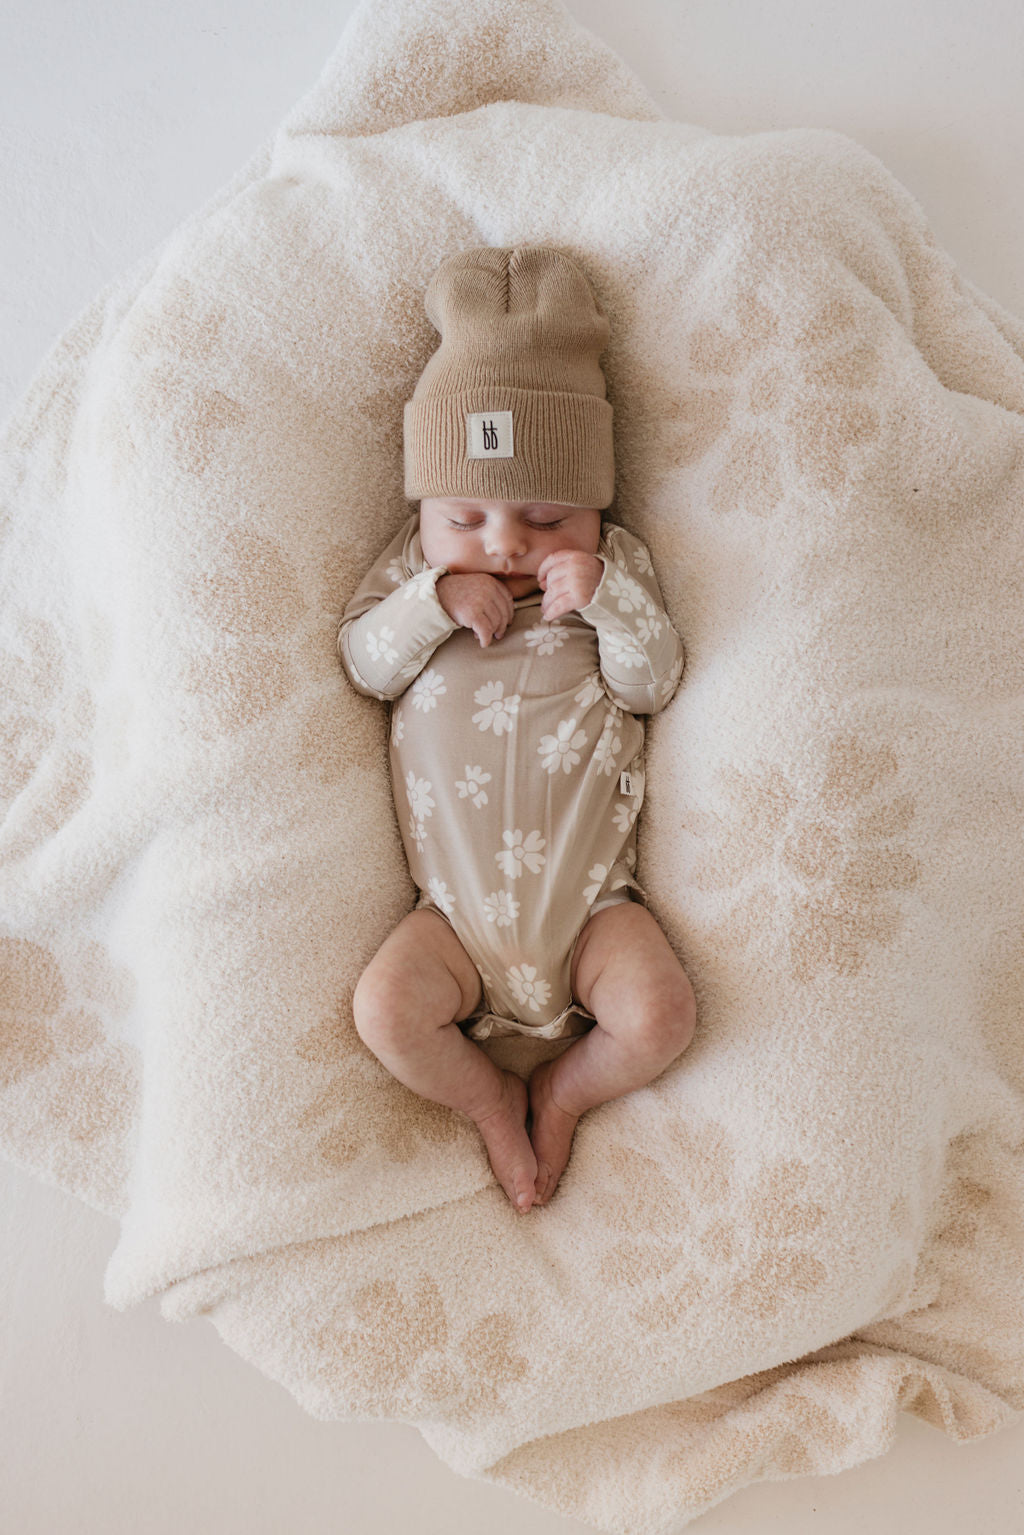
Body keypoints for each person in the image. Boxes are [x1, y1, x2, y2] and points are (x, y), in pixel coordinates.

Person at [337, 245, 696, 1213]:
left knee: (659, 1014)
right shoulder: (413, 574)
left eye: (545, 515)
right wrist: (430, 599)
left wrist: (609, 602)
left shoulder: (610, 567)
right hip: (450, 917)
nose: (504, 542)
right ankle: (493, 1100)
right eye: (466, 516)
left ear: (595, 507)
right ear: (424, 510)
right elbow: (366, 666)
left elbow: (653, 683)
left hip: (592, 909)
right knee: (385, 1009)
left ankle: (568, 1092)